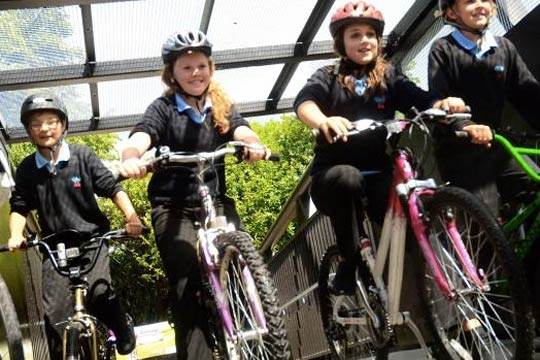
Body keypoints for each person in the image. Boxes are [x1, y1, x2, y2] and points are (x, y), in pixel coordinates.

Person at [294, 0, 466, 295]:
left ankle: (449, 304)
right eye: (355, 35)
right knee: (348, 177)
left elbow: (418, 100)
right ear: (341, 42)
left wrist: (441, 104)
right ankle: (349, 261)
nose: (365, 41)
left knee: (413, 215)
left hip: (377, 172)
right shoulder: (328, 74)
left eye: (370, 34)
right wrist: (323, 121)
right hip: (332, 177)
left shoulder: (389, 75)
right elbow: (305, 102)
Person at [117, 30, 268, 360]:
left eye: (201, 65)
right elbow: (143, 134)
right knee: (186, 281)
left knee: (245, 260)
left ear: (210, 68)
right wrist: (131, 158)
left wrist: (253, 144)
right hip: (173, 207)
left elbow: (240, 128)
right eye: (187, 68)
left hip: (214, 200)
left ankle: (251, 321)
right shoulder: (163, 108)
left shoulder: (221, 105)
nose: (196, 73)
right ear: (172, 74)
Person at [429, 0, 540, 332]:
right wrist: (464, 125)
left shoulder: (503, 48)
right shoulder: (442, 49)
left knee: (536, 189)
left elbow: (528, 93)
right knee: (485, 221)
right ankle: (471, 313)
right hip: (461, 147)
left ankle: (531, 292)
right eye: (469, 1)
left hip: (496, 143)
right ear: (451, 13)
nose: (480, 5)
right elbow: (440, 95)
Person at [7, 92, 143, 359]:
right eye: (36, 124)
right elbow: (19, 207)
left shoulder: (82, 155)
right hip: (54, 247)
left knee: (100, 292)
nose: (44, 128)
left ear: (63, 124)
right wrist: (14, 235)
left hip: (92, 241)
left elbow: (112, 188)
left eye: (51, 121)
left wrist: (132, 218)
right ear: (28, 131)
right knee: (55, 314)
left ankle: (121, 325)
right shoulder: (26, 170)